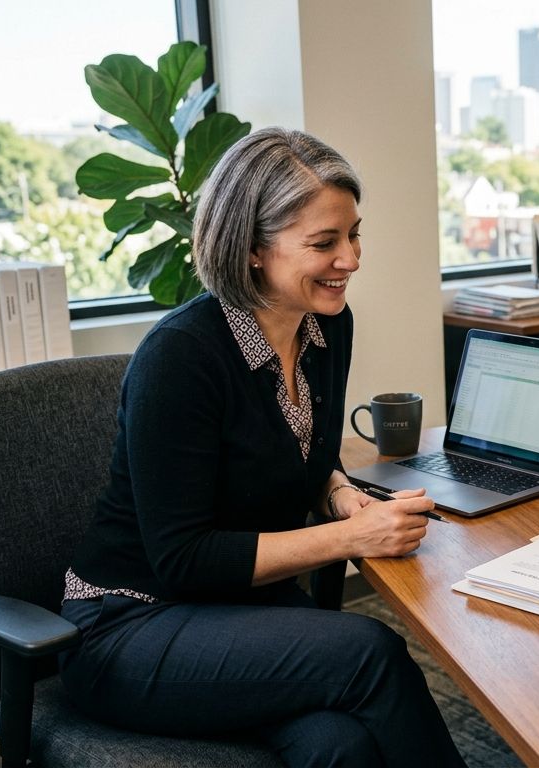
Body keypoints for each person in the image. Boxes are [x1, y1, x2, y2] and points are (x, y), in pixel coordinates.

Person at [57, 128, 464, 767]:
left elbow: (307, 452)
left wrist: (340, 495)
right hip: (129, 625)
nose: (351, 259)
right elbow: (183, 559)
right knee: (370, 653)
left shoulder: (326, 325)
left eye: (354, 234)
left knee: (341, 746)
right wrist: (353, 539)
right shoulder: (182, 357)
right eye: (324, 243)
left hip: (237, 613)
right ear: (252, 249)